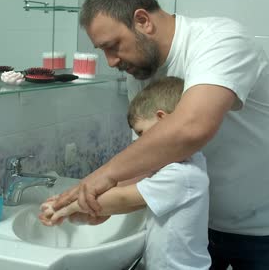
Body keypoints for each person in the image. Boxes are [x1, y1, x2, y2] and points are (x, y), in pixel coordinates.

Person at [52, 0, 269, 269]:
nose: (111, 61)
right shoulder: (141, 72)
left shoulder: (219, 40)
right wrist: (100, 201)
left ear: (143, 20)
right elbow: (149, 155)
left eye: (113, 46)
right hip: (202, 217)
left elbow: (191, 127)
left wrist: (103, 176)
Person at [41, 77, 211, 270]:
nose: (140, 143)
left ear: (163, 120)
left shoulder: (182, 174)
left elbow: (123, 198)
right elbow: (134, 203)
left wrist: (65, 206)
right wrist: (91, 213)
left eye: (142, 133)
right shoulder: (181, 165)